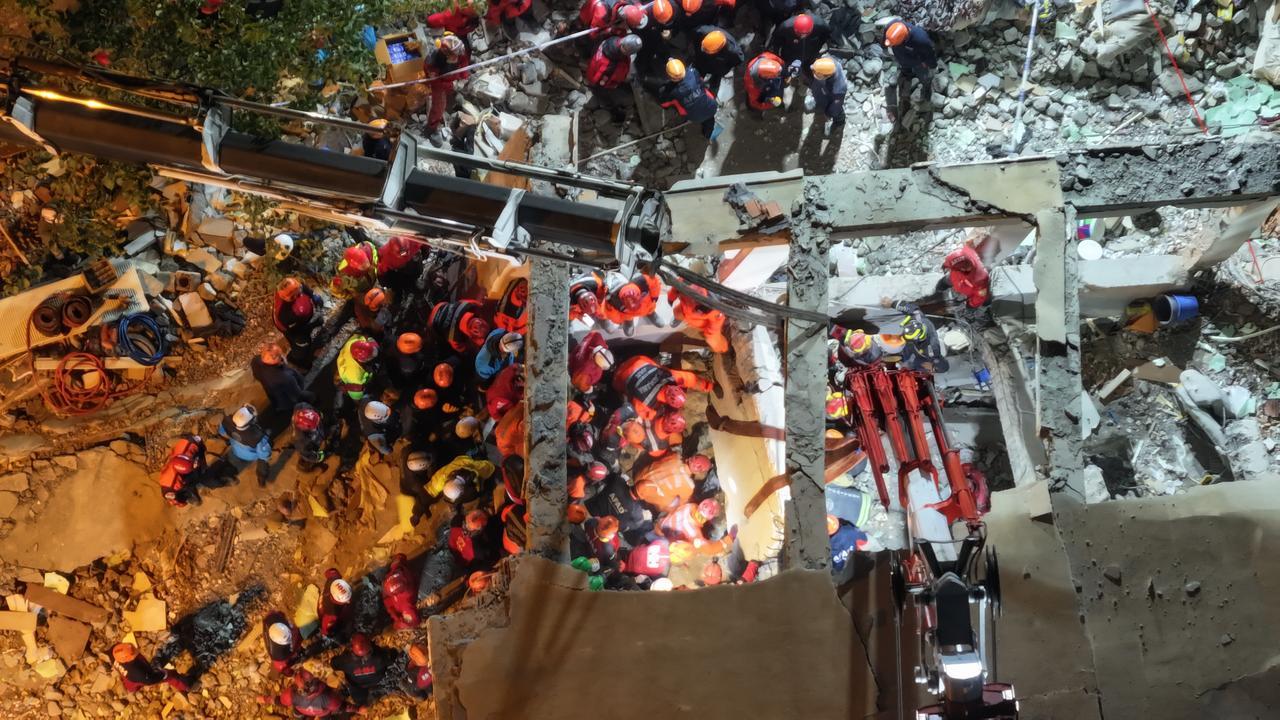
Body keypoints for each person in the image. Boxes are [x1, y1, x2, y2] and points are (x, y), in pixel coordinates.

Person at [612, 354, 712, 421]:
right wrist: (657, 414)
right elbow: (645, 415)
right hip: (618, 375)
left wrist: (708, 385)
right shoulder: (647, 404)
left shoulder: (671, 377)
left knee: (659, 367)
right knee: (623, 394)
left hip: (638, 360)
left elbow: (691, 378)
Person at [883, 19, 936, 120]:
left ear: (904, 39)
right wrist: (886, 45)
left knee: (924, 77)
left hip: (918, 62)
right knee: (905, 67)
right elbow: (886, 36)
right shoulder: (892, 26)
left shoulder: (920, 39)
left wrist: (931, 65)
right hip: (902, 58)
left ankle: (926, 89)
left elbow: (930, 54)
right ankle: (907, 75)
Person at [658, 59, 723, 141]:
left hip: (693, 116)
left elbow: (664, 104)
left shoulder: (669, 91)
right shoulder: (693, 72)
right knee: (709, 120)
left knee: (677, 105)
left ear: (670, 76)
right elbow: (701, 82)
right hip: (710, 107)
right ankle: (707, 134)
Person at [258, 669, 357, 717]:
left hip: (301, 710)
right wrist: (357, 709)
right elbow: (342, 707)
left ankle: (299, 717)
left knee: (296, 713)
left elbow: (279, 701)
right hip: (322, 713)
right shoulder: (329, 698)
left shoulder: (290, 695)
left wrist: (264, 699)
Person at [586, 34, 644, 118]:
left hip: (595, 70)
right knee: (607, 96)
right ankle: (611, 110)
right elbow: (599, 81)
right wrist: (613, 85)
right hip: (600, 83)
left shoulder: (614, 40)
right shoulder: (609, 66)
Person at [272, 277, 324, 369]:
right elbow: (296, 330)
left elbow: (307, 290)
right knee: (302, 345)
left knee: (319, 322)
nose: (297, 297)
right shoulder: (284, 313)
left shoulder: (297, 287)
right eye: (292, 297)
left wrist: (314, 298)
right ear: (284, 297)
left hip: (305, 319)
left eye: (298, 292)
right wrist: (311, 324)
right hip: (292, 329)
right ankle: (297, 361)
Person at [633, 452, 712, 512]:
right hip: (645, 494)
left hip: (638, 477)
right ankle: (650, 508)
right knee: (675, 503)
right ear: (698, 472)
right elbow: (682, 504)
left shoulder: (675, 456)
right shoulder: (689, 486)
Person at [426, 34, 471, 133]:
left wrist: (463, 77)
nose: (458, 56)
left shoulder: (457, 49)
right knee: (438, 106)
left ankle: (447, 106)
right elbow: (436, 82)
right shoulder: (433, 62)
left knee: (449, 99)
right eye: (455, 55)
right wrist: (451, 85)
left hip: (452, 78)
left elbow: (464, 62)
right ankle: (431, 128)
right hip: (441, 83)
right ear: (447, 54)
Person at [219, 404, 272, 486]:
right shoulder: (256, 437)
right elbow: (263, 455)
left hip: (235, 450)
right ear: (249, 423)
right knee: (263, 460)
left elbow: (221, 432)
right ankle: (261, 477)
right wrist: (266, 438)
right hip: (250, 456)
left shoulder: (226, 422)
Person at [251, 342, 313, 413]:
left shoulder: (255, 361)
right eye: (280, 355)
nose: (282, 356)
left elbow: (256, 376)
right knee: (308, 397)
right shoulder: (286, 377)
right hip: (288, 401)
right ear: (277, 358)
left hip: (274, 397)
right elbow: (297, 394)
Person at [112, 642, 192, 693]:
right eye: (133, 652)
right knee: (170, 676)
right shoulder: (138, 674)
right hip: (139, 677)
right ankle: (185, 686)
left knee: (130, 684)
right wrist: (163, 674)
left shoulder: (115, 652)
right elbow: (151, 680)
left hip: (128, 675)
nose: (136, 649)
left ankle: (131, 688)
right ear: (127, 659)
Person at [769, 12, 831, 78]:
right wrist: (777, 57)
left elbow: (827, 35)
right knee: (787, 67)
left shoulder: (819, 24)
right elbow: (776, 41)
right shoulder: (786, 27)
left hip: (810, 51)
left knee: (809, 63)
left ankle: (806, 69)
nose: (802, 36)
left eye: (805, 34)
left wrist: (818, 47)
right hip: (790, 53)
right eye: (800, 34)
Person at [600, 269, 663, 334]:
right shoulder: (613, 300)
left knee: (650, 308)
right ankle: (628, 321)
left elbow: (654, 283)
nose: (632, 304)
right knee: (627, 316)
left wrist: (655, 296)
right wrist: (621, 320)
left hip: (647, 305)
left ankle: (651, 313)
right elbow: (611, 314)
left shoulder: (643, 281)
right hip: (627, 313)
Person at [659, 498, 731, 555]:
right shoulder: (694, 533)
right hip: (667, 543)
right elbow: (709, 550)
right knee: (688, 552)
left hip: (663, 524)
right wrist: (727, 540)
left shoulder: (691, 506)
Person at [669, 285, 729, 353]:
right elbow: (675, 287)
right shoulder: (685, 282)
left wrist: (716, 343)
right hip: (685, 308)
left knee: (712, 335)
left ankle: (719, 344)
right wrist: (671, 297)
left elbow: (714, 328)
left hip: (700, 320)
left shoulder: (713, 309)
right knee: (678, 312)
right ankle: (678, 317)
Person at [157, 435, 209, 507]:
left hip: (186, 454)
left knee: (197, 471)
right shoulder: (171, 484)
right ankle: (191, 490)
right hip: (185, 455)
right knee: (196, 472)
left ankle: (193, 487)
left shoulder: (190, 449)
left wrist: (193, 466)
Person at [692, 27, 743, 97]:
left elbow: (738, 61)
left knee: (715, 80)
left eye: (707, 51)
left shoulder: (732, 51)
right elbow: (695, 40)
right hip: (702, 61)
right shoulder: (702, 31)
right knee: (695, 76)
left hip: (718, 67)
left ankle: (713, 88)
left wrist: (724, 68)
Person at [428, 455, 495, 506]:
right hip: (465, 461)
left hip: (486, 466)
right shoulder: (445, 477)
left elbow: (487, 469)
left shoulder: (473, 477)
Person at [941, 244, 990, 308]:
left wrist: (972, 304)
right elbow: (950, 259)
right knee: (949, 279)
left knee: (984, 300)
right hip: (956, 278)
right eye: (961, 268)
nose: (966, 268)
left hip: (968, 286)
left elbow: (981, 296)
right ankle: (944, 283)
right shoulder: (963, 253)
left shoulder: (981, 279)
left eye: (966, 266)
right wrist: (945, 265)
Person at [381, 553, 420, 629]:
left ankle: (397, 563)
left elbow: (387, 600)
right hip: (399, 576)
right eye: (408, 619)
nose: (405, 618)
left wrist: (394, 615)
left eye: (406, 619)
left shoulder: (399, 610)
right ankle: (399, 560)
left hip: (391, 585)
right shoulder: (409, 594)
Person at [806, 56, 847, 128]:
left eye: (817, 73)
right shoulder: (828, 62)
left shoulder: (838, 88)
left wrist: (828, 114)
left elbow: (836, 106)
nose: (814, 73)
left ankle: (839, 121)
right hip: (823, 90)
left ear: (827, 76)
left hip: (831, 96)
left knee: (836, 112)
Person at [262, 612, 302, 676]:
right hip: (270, 618)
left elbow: (297, 636)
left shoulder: (283, 657)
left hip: (273, 618)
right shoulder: (276, 658)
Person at [292, 403, 329, 473]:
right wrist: (320, 456)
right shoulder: (301, 441)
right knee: (307, 455)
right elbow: (309, 454)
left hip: (314, 437)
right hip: (311, 446)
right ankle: (306, 466)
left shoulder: (302, 408)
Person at [318, 568, 353, 638]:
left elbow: (328, 572)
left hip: (323, 601)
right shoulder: (332, 615)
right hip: (323, 612)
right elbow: (326, 629)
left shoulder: (333, 579)